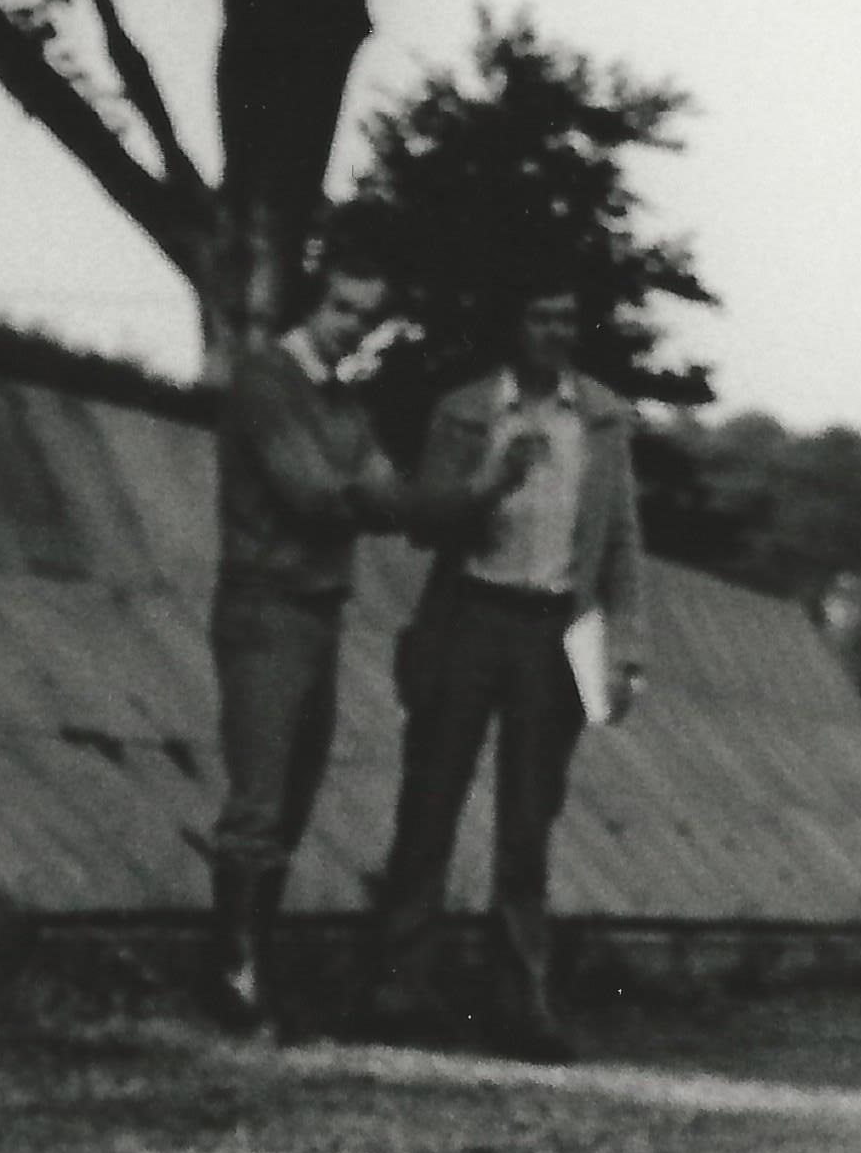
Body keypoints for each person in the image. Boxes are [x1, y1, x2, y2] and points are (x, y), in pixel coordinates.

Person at [199, 255, 506, 1033]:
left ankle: (247, 976)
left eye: (367, 317)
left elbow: (383, 492)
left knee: (291, 800)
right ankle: (234, 984)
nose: (354, 329)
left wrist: (478, 494)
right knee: (261, 802)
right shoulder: (267, 383)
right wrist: (393, 499)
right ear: (313, 305)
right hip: (266, 606)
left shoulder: (342, 402)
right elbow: (315, 494)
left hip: (317, 610)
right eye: (343, 309)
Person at [358, 282, 648, 1058]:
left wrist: (626, 646)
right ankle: (400, 984)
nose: (555, 332)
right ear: (513, 326)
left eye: (566, 317)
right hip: (468, 615)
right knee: (431, 802)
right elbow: (422, 523)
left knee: (529, 820)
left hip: (554, 629)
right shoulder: (467, 411)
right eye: (539, 316)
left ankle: (521, 1003)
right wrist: (491, 484)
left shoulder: (604, 420)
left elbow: (620, 539)